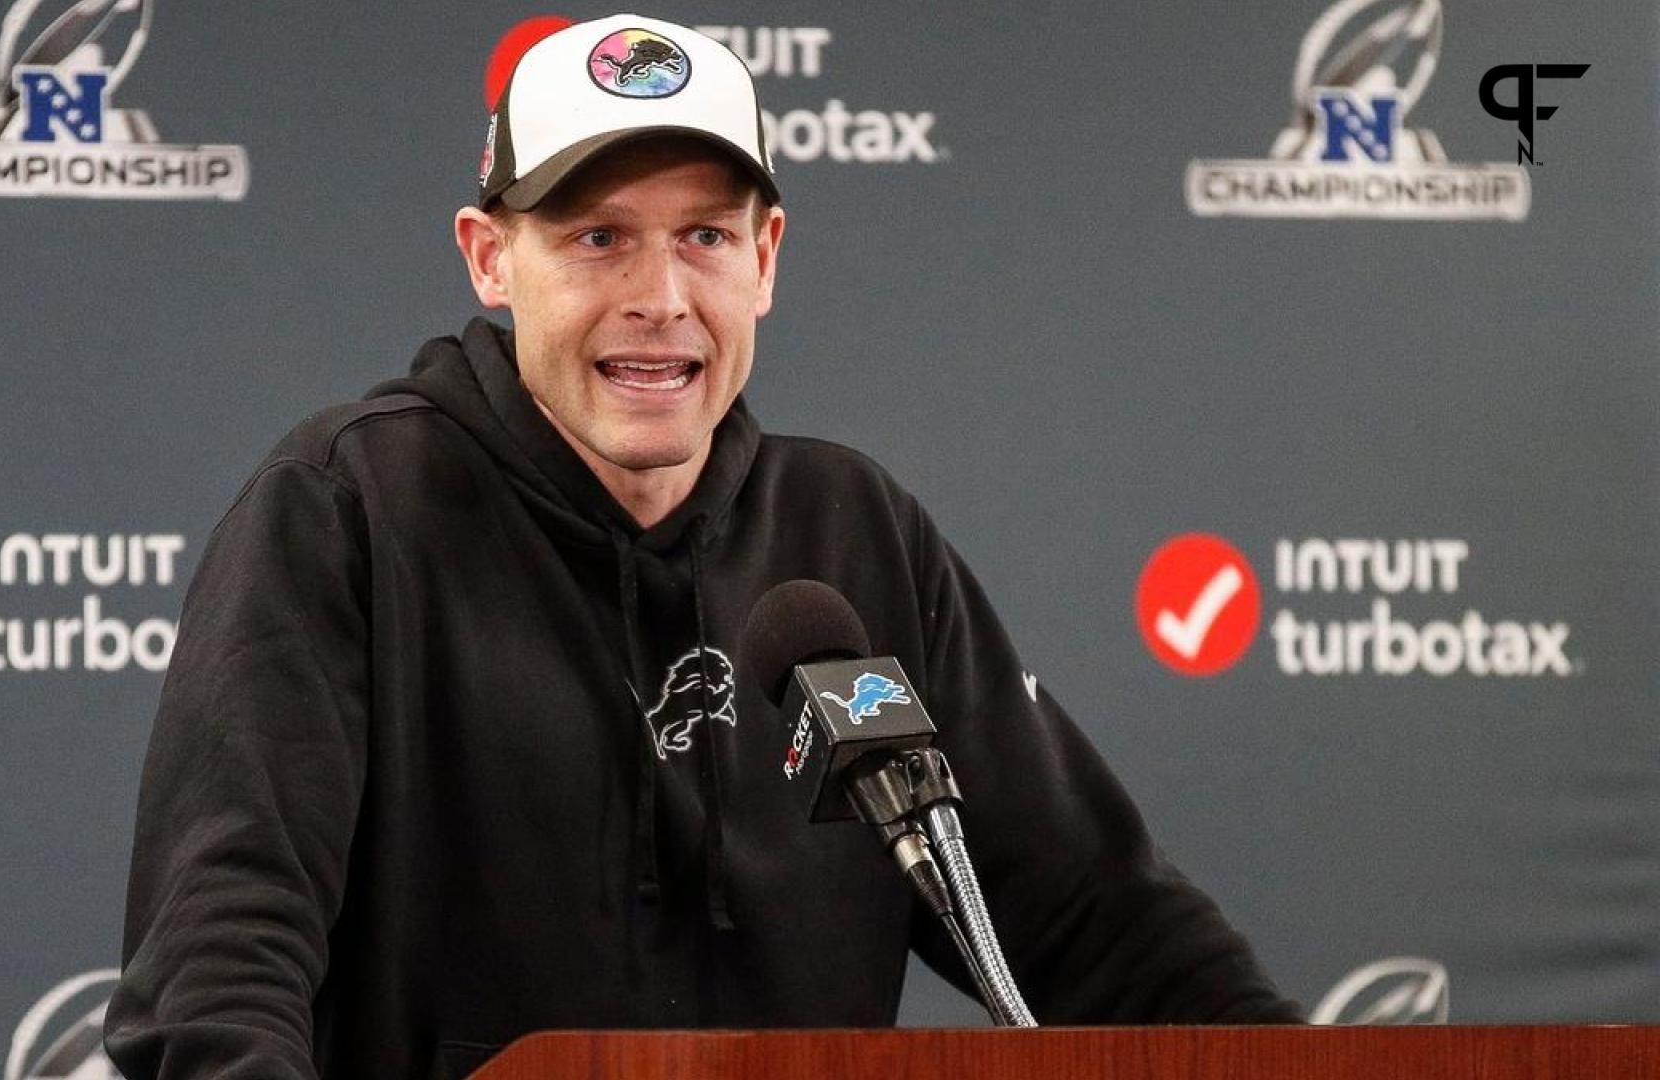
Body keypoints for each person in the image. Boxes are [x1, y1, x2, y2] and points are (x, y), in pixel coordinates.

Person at [104, 13, 1300, 1080]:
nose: (661, 296)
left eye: (705, 239)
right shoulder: (347, 508)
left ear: (766, 259)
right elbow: (218, 961)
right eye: (597, 238)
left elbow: (1101, 927)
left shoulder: (852, 535)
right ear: (488, 256)